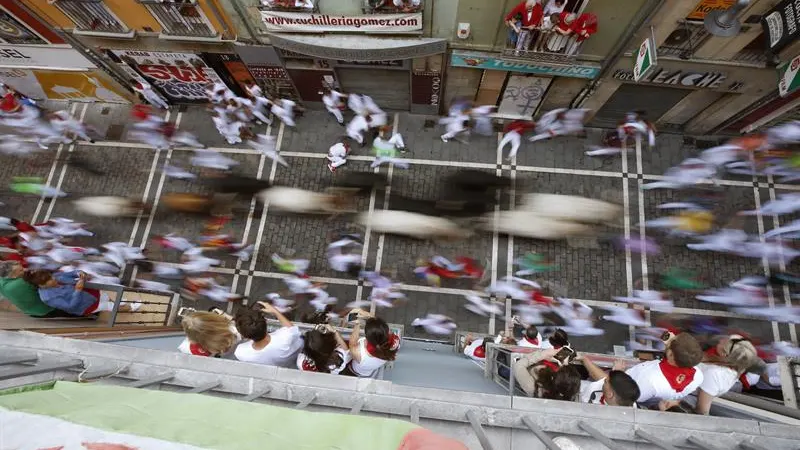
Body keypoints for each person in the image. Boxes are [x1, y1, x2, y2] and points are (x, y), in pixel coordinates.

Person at [625, 332, 704, 407]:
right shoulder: (698, 376)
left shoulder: (650, 380)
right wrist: (673, 346)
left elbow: (630, 397)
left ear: (670, 355)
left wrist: (617, 371)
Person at [691, 335, 760, 415]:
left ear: (725, 354)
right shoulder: (732, 365)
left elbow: (702, 410)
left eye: (725, 342)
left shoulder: (715, 374)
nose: (721, 340)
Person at [28, 270, 139, 317]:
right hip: (85, 305)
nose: (54, 278)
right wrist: (78, 290)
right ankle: (132, 308)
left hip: (90, 292)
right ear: (42, 285)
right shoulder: (47, 298)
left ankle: (122, 305)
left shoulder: (54, 277)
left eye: (51, 276)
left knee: (106, 298)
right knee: (109, 306)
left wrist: (79, 272)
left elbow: (70, 273)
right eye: (50, 280)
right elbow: (70, 306)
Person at [234, 302, 303, 367]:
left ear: (244, 336)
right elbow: (293, 329)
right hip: (299, 354)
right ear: (266, 322)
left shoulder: (241, 352)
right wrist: (275, 311)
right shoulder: (285, 336)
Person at [0, 262, 67, 318]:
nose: (25, 270)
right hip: (47, 309)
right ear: (13, 276)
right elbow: (47, 282)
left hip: (31, 312)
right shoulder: (22, 283)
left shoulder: (2, 280)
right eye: (21, 270)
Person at [513, 347, 581, 400]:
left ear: (553, 377)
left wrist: (542, 355)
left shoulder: (534, 389)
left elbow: (518, 365)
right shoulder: (573, 396)